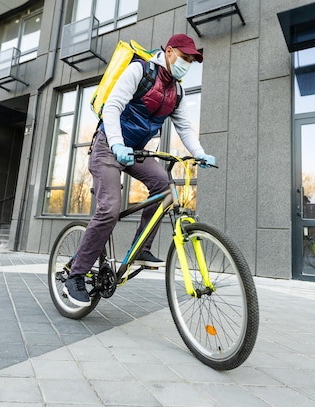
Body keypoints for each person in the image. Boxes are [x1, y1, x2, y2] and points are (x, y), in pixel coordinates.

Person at [64, 34, 215, 307]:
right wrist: (117, 143)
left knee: (164, 187)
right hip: (108, 145)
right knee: (109, 209)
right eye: (184, 58)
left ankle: (141, 250)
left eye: (191, 61)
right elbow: (112, 107)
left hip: (134, 151)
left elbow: (185, 128)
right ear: (169, 52)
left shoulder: (176, 92)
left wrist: (199, 153)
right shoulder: (140, 70)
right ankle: (76, 273)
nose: (187, 64)